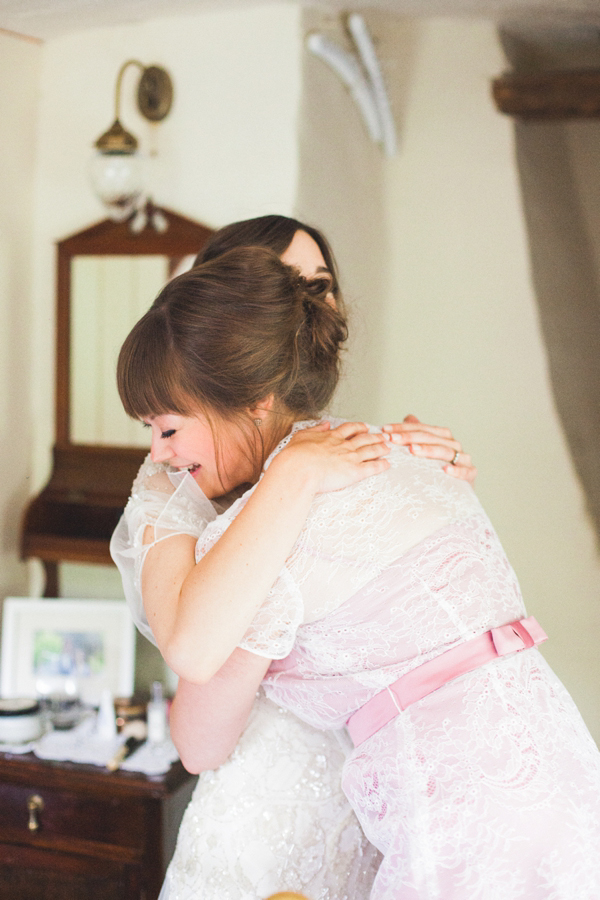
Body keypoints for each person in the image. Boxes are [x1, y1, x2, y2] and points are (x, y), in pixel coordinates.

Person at [116, 243, 600, 899]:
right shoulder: (401, 451)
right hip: (565, 769)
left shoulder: (267, 530)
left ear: (255, 398)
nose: (158, 454)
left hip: (465, 815)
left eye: (169, 429)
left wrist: (283, 480)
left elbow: (197, 720)